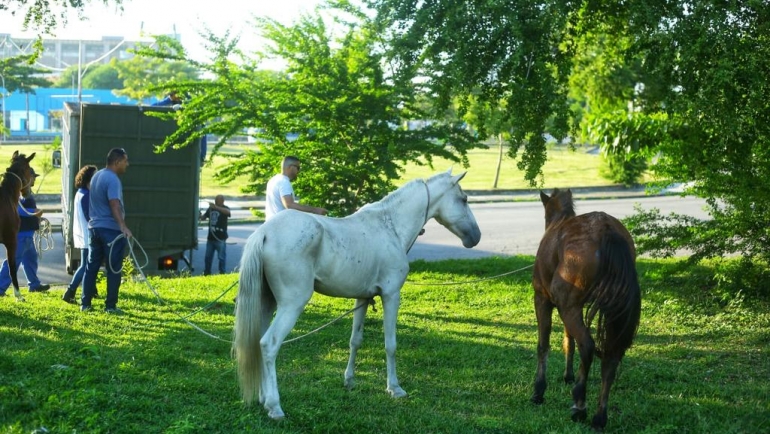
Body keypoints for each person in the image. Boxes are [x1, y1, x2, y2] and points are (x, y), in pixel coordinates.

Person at [80, 148, 132, 314]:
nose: (127, 164)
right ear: (117, 162)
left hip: (94, 229)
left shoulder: (97, 176)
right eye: (125, 161)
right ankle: (110, 306)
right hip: (110, 230)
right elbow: (114, 204)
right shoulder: (113, 180)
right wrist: (122, 226)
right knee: (114, 268)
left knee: (91, 267)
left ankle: (85, 304)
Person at [0, 168, 50, 295]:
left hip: (28, 236)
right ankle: (0, 288)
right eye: (33, 177)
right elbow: (17, 210)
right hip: (21, 236)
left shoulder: (25, 193)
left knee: (31, 259)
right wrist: (34, 212)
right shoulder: (15, 194)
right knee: (13, 261)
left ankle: (34, 284)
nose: (34, 180)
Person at [62, 165, 97, 304]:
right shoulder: (86, 195)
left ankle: (91, 290)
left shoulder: (80, 192)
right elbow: (91, 216)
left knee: (87, 264)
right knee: (85, 266)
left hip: (83, 234)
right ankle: (70, 291)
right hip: (88, 235)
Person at [264, 156, 327, 221]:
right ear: (291, 167)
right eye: (298, 168)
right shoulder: (284, 182)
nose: (298, 171)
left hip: (270, 223)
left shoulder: (274, 179)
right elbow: (289, 205)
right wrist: (315, 210)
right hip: (281, 225)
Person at [200, 194, 231, 275]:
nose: (216, 202)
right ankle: (207, 272)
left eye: (218, 200)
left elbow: (228, 212)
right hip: (210, 238)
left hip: (220, 238)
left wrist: (216, 207)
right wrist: (199, 215)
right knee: (208, 257)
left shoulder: (225, 208)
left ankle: (222, 272)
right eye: (216, 200)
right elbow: (203, 217)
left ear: (222, 201)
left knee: (221, 257)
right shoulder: (210, 209)